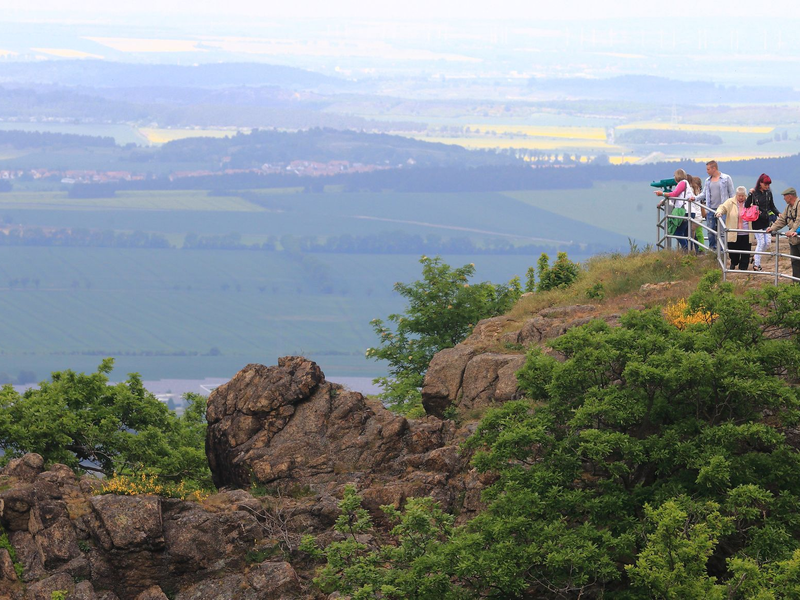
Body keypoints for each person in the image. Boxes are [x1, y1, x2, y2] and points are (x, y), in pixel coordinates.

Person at [696, 160, 735, 251]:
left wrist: (732, 207)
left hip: (723, 209)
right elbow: (704, 194)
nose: (707, 171)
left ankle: (722, 251)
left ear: (714, 168)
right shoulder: (707, 181)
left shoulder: (726, 178)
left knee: (722, 232)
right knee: (710, 231)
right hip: (711, 209)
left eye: (708, 169)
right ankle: (713, 250)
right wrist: (695, 198)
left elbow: (732, 194)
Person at [745, 173, 779, 271]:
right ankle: (756, 265)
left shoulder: (768, 193)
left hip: (766, 221)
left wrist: (778, 214)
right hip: (757, 221)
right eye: (765, 184)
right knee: (761, 242)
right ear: (760, 183)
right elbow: (747, 205)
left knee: (767, 243)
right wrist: (750, 194)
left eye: (768, 185)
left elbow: (772, 206)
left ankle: (755, 256)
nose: (767, 186)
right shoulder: (754, 193)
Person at [655, 168, 694, 250]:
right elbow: (676, 197)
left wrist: (662, 193)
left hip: (684, 211)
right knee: (686, 233)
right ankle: (690, 251)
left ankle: (686, 249)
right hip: (689, 211)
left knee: (678, 232)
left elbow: (674, 194)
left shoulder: (682, 183)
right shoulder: (685, 184)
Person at [767, 187, 800, 281]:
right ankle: (796, 284)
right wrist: (772, 228)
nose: (784, 198)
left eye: (785, 196)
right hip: (793, 240)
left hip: (797, 236)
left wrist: (792, 231)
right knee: (795, 261)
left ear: (790, 196)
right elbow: (782, 220)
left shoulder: (799, 205)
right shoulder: (788, 207)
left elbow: (798, 220)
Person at [716, 186, 751, 270]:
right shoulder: (730, 202)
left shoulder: (750, 202)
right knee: (733, 251)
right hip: (733, 232)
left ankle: (743, 269)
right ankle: (734, 262)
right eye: (739, 196)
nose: (741, 197)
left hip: (746, 232)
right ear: (736, 195)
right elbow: (722, 207)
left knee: (745, 252)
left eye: (743, 196)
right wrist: (719, 212)